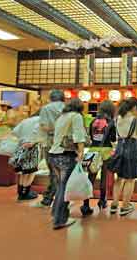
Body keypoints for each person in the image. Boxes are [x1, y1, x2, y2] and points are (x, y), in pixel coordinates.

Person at [48, 98, 87, 230]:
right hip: (66, 154)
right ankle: (59, 220)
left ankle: (55, 214)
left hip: (53, 155)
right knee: (65, 188)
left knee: (60, 186)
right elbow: (78, 135)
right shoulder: (76, 116)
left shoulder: (61, 117)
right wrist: (81, 152)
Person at [82, 100, 117, 215]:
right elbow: (113, 139)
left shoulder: (93, 121)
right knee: (103, 178)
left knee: (90, 178)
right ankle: (102, 201)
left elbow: (91, 137)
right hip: (106, 152)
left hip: (93, 150)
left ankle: (85, 204)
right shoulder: (111, 122)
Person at [109, 97, 137, 216]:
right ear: (134, 108)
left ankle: (114, 204)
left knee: (119, 178)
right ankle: (125, 206)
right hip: (131, 148)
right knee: (130, 179)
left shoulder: (117, 118)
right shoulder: (135, 120)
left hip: (119, 147)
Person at [33, 90, 65, 208]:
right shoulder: (68, 107)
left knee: (53, 170)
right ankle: (61, 198)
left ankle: (48, 198)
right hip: (66, 142)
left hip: (51, 141)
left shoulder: (46, 108)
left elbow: (44, 126)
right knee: (63, 170)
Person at [10, 111, 41, 201]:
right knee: (31, 171)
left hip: (21, 146)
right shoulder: (40, 120)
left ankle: (21, 192)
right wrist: (34, 141)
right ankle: (26, 193)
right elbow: (39, 134)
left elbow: (15, 132)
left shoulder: (25, 121)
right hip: (31, 146)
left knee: (23, 171)